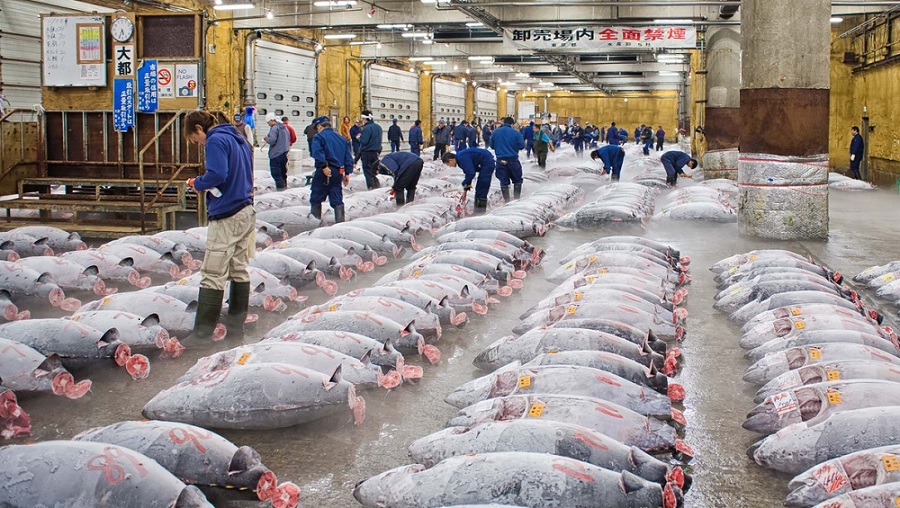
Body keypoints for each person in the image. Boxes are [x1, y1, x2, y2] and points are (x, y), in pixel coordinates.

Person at [183, 110, 255, 342]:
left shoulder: (215, 140)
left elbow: (217, 174)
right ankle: (235, 329)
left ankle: (202, 335)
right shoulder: (239, 138)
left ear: (198, 128)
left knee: (213, 273)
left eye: (195, 139)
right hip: (246, 209)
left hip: (226, 214)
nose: (198, 142)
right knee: (239, 269)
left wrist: (197, 183)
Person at [309, 116, 353, 223]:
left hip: (325, 170)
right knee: (336, 195)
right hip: (338, 171)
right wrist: (347, 173)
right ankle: (340, 223)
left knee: (316, 196)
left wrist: (324, 166)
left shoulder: (319, 137)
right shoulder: (341, 138)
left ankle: (315, 223)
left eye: (317, 127)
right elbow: (348, 156)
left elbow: (318, 153)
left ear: (320, 126)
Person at [442, 148, 496, 215]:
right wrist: (465, 191)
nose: (450, 166)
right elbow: (469, 175)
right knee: (479, 188)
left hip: (487, 162)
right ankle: (477, 211)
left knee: (482, 186)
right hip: (484, 163)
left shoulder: (462, 158)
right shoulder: (460, 159)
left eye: (448, 164)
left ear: (451, 160)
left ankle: (480, 213)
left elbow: (471, 174)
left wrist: (462, 185)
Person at [489, 116, 525, 202]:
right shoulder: (516, 133)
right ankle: (517, 200)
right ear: (512, 124)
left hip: (500, 160)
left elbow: (492, 146)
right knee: (517, 180)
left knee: (503, 181)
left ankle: (507, 201)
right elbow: (521, 146)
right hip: (513, 160)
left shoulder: (495, 132)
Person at [263, 112, 290, 190]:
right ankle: (284, 188)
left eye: (268, 122)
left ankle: (280, 189)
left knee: (276, 174)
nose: (268, 124)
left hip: (275, 154)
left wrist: (266, 138)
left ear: (272, 120)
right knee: (283, 173)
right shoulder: (285, 128)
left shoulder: (275, 128)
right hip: (284, 154)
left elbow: (272, 141)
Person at [358, 110, 383, 189]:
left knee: (368, 172)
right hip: (376, 153)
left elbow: (364, 141)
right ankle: (377, 187)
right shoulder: (378, 127)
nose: (362, 121)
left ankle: (371, 187)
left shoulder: (367, 128)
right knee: (373, 172)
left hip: (367, 153)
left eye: (362, 119)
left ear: (365, 119)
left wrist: (359, 138)